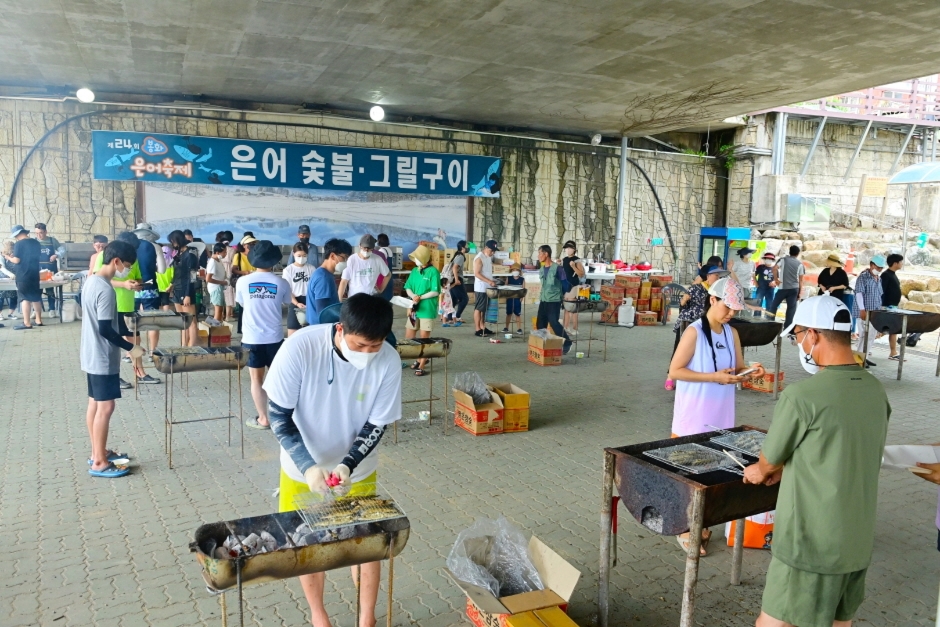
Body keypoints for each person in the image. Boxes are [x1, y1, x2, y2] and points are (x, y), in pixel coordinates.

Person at [743, 295, 889, 627]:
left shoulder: (802, 396)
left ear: (813, 335)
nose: (798, 343)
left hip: (809, 541)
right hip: (855, 540)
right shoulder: (875, 390)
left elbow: (768, 462)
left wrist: (760, 471)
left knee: (772, 622)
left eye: (797, 336)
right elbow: (842, 447)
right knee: (839, 622)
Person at [264, 294, 402, 627]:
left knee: (365, 544)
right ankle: (319, 616)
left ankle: (366, 618)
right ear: (341, 329)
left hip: (357, 470)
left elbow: (376, 424)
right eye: (360, 345)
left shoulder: (389, 360)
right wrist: (309, 467)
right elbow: (279, 416)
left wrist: (347, 465)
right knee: (308, 546)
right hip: (302, 466)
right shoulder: (300, 348)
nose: (367, 353)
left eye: (375, 346)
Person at [669, 277, 764, 554]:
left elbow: (737, 369)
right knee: (689, 473)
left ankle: (703, 523)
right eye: (727, 306)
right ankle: (685, 529)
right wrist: (714, 377)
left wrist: (751, 372)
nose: (731, 313)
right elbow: (675, 371)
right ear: (713, 299)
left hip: (722, 417)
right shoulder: (694, 332)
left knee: (712, 474)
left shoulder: (731, 333)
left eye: (735, 309)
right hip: (692, 417)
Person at [82, 240, 147, 478]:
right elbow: (106, 330)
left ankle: (98, 452)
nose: (127, 270)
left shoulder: (91, 280)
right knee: (106, 406)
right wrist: (132, 348)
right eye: (127, 266)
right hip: (102, 356)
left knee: (95, 403)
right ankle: (99, 462)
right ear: (116, 261)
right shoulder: (106, 289)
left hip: (90, 353)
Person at [237, 240, 291, 430]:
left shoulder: (243, 282)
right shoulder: (281, 283)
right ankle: (283, 418)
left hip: (252, 339)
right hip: (275, 338)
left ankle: (263, 419)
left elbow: (242, 303)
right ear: (274, 261)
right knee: (278, 380)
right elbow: (286, 302)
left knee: (256, 380)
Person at [665, 266, 727, 390]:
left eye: (719, 276)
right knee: (679, 350)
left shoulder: (717, 292)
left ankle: (696, 375)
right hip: (688, 323)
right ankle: (670, 377)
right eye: (716, 275)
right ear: (708, 276)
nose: (718, 278)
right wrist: (684, 300)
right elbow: (682, 306)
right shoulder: (695, 288)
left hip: (706, 324)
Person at [110, 232, 160, 385]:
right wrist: (123, 284)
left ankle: (140, 373)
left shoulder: (133, 258)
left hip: (128, 305)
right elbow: (99, 278)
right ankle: (113, 376)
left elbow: (138, 276)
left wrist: (137, 283)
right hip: (113, 305)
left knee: (135, 340)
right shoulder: (105, 256)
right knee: (113, 343)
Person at [403, 245, 440, 376]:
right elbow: (408, 287)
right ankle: (419, 358)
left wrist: (420, 297)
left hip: (427, 309)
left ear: (424, 258)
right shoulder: (414, 271)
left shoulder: (433, 272)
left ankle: (422, 364)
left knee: (424, 338)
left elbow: (435, 291)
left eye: (417, 258)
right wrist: (413, 296)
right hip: (414, 309)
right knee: (410, 337)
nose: (416, 261)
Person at [132, 223, 167, 360]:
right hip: (150, 288)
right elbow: (162, 270)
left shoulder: (130, 246)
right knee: (152, 321)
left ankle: (134, 352)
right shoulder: (156, 247)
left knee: (134, 322)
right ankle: (152, 353)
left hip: (132, 288)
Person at [535, 245, 572, 355]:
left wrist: (564, 295)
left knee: (554, 322)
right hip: (544, 299)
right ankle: (543, 345)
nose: (538, 256)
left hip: (554, 300)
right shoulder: (542, 269)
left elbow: (565, 285)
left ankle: (567, 343)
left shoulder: (558, 269)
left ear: (546, 254)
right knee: (540, 323)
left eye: (539, 253)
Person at [3, 225, 42, 330]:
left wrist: (8, 257)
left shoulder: (19, 244)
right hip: (35, 274)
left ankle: (27, 323)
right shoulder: (36, 242)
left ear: (17, 234)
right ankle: (38, 320)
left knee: (25, 298)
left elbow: (17, 260)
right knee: (36, 298)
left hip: (23, 275)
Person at [851, 254, 885, 368]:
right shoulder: (863, 277)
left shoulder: (878, 278)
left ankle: (865, 357)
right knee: (864, 336)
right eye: (878, 267)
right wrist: (862, 309)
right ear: (871, 265)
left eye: (881, 268)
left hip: (875, 312)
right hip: (865, 311)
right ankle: (859, 359)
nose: (879, 269)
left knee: (871, 335)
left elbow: (878, 295)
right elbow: (859, 294)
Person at [167, 230, 199, 347]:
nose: (172, 244)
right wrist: (172, 284)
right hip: (178, 289)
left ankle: (192, 346)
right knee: (183, 321)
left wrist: (188, 295)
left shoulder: (191, 253)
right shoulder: (179, 254)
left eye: (173, 241)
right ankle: (184, 346)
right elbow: (177, 272)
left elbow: (192, 276)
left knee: (191, 321)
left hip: (187, 290)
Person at [308, 238, 352, 321]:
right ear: (332, 256)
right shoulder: (323, 278)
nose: (345, 262)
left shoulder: (322, 273)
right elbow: (322, 313)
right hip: (323, 327)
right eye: (344, 258)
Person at [339, 235, 390, 300]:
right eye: (364, 248)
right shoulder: (352, 260)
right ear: (360, 246)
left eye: (369, 248)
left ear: (373, 248)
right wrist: (339, 300)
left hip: (371, 298)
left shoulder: (378, 260)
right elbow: (344, 281)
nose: (366, 250)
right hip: (354, 298)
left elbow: (388, 274)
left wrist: (381, 289)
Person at [768, 245, 804, 330]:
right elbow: (801, 280)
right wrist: (800, 292)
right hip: (794, 289)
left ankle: (770, 324)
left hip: (783, 288)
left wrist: (776, 279)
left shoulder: (783, 260)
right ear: (798, 254)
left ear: (789, 252)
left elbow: (774, 269)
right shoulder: (800, 264)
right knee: (791, 309)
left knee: (773, 306)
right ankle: (787, 328)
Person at [283, 242, 315, 337]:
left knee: (309, 331)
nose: (302, 258)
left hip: (309, 301)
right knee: (292, 332)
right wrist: (296, 303)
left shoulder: (312, 269)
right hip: (294, 301)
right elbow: (287, 290)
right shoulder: (288, 270)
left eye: (304, 255)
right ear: (293, 254)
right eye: (299, 256)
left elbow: (314, 287)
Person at [473, 240, 499, 337]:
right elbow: (477, 273)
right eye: (492, 251)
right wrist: (489, 281)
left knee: (484, 309)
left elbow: (486, 272)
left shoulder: (488, 257)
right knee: (479, 308)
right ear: (486, 248)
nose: (493, 253)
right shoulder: (479, 258)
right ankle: (477, 329)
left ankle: (483, 326)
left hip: (488, 287)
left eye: (494, 251)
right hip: (481, 287)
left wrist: (493, 280)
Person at [881, 253, 904, 361]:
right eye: (901, 262)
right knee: (884, 330)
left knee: (893, 330)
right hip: (887, 307)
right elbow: (882, 291)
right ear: (895, 263)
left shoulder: (893, 274)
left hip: (893, 306)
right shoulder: (886, 275)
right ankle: (865, 347)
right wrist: (881, 306)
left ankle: (893, 352)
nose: (902, 264)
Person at [35, 223, 61, 313]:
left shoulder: (52, 240)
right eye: (36, 233)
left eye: (41, 233)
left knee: (50, 290)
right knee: (37, 290)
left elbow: (62, 250)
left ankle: (52, 309)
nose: (39, 235)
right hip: (37, 269)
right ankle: (36, 311)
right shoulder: (33, 241)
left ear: (46, 232)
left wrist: (56, 255)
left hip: (50, 269)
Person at [561, 241, 586, 335]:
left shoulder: (576, 260)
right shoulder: (564, 259)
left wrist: (573, 266)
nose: (567, 250)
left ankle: (575, 328)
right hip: (566, 285)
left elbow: (581, 274)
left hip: (574, 285)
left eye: (569, 248)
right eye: (566, 248)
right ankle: (566, 327)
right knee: (566, 308)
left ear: (574, 249)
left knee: (573, 308)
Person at [442, 240, 469, 325]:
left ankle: (449, 317)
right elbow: (454, 267)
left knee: (453, 299)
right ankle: (457, 316)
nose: (468, 248)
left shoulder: (457, 255)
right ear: (463, 248)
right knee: (464, 299)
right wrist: (457, 280)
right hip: (456, 279)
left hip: (451, 279)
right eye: (467, 246)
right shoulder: (460, 256)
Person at [205, 243, 229, 326]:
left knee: (220, 310)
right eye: (224, 252)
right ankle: (215, 328)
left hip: (219, 287)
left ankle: (217, 327)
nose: (225, 254)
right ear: (217, 252)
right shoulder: (212, 262)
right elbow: (208, 279)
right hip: (216, 288)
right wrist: (222, 282)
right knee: (218, 310)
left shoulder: (218, 260)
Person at [503, 263, 525, 334]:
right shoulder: (509, 278)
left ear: (519, 271)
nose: (515, 271)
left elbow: (523, 289)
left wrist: (522, 297)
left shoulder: (522, 279)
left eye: (516, 270)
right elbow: (505, 288)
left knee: (517, 314)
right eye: (513, 270)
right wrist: (506, 297)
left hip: (517, 299)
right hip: (510, 298)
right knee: (508, 313)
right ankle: (506, 328)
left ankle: (519, 329)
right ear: (511, 271)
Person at [374, 234, 396, 300]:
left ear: (379, 241)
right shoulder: (389, 250)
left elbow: (380, 265)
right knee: (389, 297)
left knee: (383, 297)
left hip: (384, 276)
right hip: (390, 276)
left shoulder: (382, 251)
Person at [754, 253, 775, 317]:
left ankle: (768, 318)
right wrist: (755, 283)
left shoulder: (775, 268)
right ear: (765, 259)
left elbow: (777, 279)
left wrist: (774, 282)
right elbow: (753, 275)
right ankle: (756, 318)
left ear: (772, 260)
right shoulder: (760, 267)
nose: (768, 260)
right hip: (760, 288)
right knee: (758, 303)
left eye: (770, 259)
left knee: (770, 304)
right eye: (767, 259)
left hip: (770, 289)